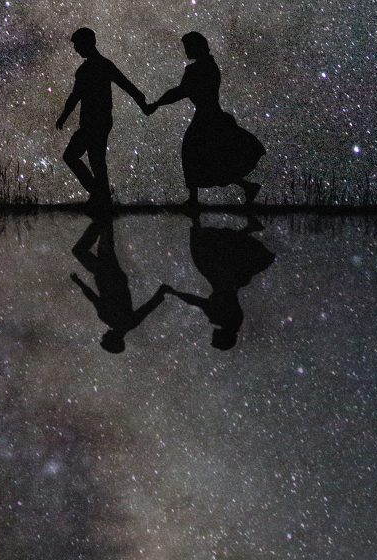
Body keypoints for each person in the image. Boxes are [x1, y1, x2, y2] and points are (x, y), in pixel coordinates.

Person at [143, 31, 265, 206]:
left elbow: (180, 91)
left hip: (206, 117)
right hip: (213, 115)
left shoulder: (197, 69)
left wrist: (156, 104)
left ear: (196, 47)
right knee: (212, 157)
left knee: (194, 152)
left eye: (187, 47)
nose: (185, 52)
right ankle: (246, 187)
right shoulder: (210, 65)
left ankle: (195, 199)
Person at [54, 27, 148, 204]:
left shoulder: (88, 69)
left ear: (86, 43)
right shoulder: (103, 65)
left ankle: (99, 194)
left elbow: (75, 96)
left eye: (77, 45)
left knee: (79, 157)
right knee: (96, 161)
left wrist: (64, 116)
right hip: (100, 121)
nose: (75, 49)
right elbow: (127, 86)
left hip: (94, 122)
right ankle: (101, 195)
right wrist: (142, 103)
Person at [159, 209, 275, 350]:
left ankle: (247, 227)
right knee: (207, 251)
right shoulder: (223, 318)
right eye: (215, 338)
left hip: (230, 279)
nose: (212, 336)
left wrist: (177, 293)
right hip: (223, 278)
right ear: (223, 337)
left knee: (220, 250)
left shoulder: (231, 321)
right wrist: (176, 293)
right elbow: (198, 302)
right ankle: (196, 217)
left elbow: (201, 302)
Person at [69, 216, 167, 352]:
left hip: (113, 275)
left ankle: (102, 216)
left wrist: (161, 292)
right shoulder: (110, 319)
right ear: (113, 339)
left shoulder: (129, 323)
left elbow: (147, 308)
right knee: (86, 248)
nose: (104, 335)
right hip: (104, 274)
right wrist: (79, 283)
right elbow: (93, 298)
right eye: (105, 338)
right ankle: (102, 215)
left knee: (105, 241)